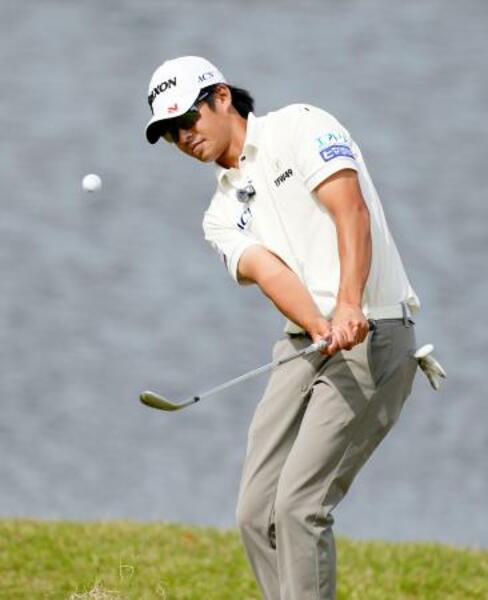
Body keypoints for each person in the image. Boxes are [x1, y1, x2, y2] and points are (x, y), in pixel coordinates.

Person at [144, 55, 434, 600]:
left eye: (188, 120)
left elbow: (351, 211)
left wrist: (348, 304)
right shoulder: (220, 212)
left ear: (221, 97)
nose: (183, 137)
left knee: (300, 506)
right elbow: (270, 272)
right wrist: (320, 322)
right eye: (170, 133)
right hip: (306, 344)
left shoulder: (300, 126)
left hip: (375, 333)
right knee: (255, 513)